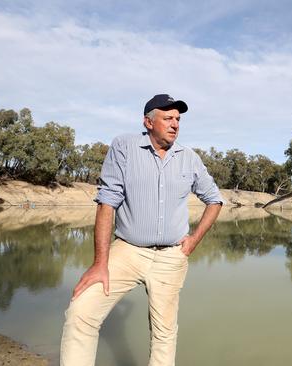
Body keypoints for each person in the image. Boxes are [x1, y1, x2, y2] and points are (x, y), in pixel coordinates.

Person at [60, 94, 224, 366]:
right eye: (168, 118)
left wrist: (193, 240)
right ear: (148, 122)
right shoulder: (124, 146)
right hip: (127, 252)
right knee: (81, 313)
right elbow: (107, 202)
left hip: (171, 257)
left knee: (164, 333)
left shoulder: (189, 158)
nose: (175, 125)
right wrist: (100, 263)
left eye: (178, 120)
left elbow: (215, 200)